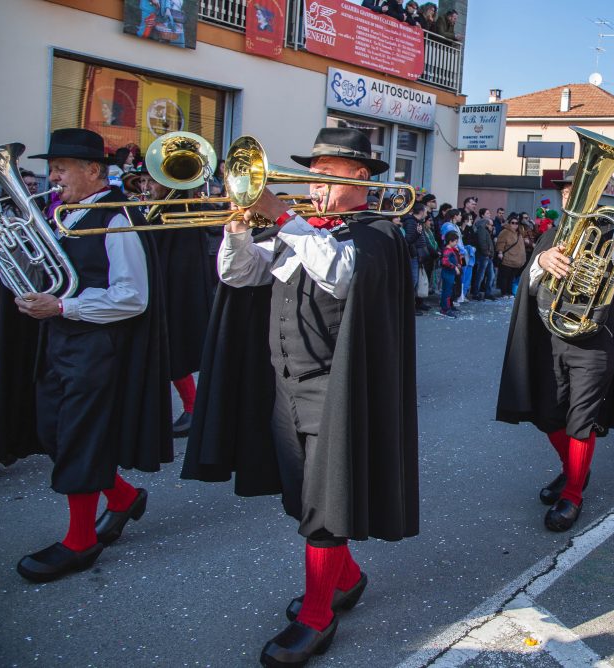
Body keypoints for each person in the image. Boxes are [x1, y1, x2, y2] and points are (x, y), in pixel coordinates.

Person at [183, 127, 418, 665]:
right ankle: (347, 578)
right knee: (302, 494)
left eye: (325, 175)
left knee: (324, 503)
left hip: (336, 387)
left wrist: (283, 217)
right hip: (284, 382)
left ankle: (317, 616)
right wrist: (238, 231)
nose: (313, 186)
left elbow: (340, 276)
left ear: (360, 177)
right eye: (311, 175)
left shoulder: (378, 232)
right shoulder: (300, 227)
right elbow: (240, 277)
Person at [8, 128, 170, 583]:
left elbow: (133, 296)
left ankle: (80, 542)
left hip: (97, 346)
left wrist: (64, 307)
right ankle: (122, 497)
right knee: (54, 431)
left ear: (93, 170)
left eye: (61, 169)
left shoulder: (115, 219)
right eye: (53, 169)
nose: (53, 177)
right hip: (61, 339)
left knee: (77, 438)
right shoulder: (63, 214)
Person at [496, 164, 614, 533]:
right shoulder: (551, 236)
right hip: (552, 337)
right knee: (548, 415)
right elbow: (529, 286)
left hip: (594, 341)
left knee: (581, 420)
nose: (570, 196)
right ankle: (574, 470)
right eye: (566, 191)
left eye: (578, 189)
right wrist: (541, 261)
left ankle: (573, 495)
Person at [139, 171, 217, 434]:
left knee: (173, 351)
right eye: (144, 181)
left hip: (173, 293)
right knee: (168, 354)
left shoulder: (180, 213)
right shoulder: (161, 210)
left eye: (152, 181)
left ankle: (193, 409)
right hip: (164, 290)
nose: (146, 186)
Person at [495, 215, 526, 297]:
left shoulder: (519, 233)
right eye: (513, 223)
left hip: (516, 260)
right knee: (505, 277)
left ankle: (509, 292)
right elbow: (500, 243)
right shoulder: (505, 232)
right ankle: (504, 292)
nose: (515, 225)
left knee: (511, 278)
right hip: (507, 259)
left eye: (516, 223)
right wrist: (500, 252)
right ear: (509, 223)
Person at [472, 207, 496, 300]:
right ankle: (476, 293)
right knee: (481, 275)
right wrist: (487, 253)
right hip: (484, 256)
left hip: (487, 256)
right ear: (486, 224)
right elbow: (482, 243)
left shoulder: (485, 230)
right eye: (491, 225)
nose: (492, 227)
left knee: (491, 275)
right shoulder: (482, 230)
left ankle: (487, 293)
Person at [439, 231, 461, 317]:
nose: (456, 243)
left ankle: (447, 306)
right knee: (447, 292)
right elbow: (445, 261)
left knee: (449, 291)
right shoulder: (447, 250)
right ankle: (445, 309)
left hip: (450, 274)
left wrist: (457, 265)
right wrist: (454, 267)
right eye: (455, 241)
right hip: (448, 274)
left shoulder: (450, 249)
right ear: (450, 241)